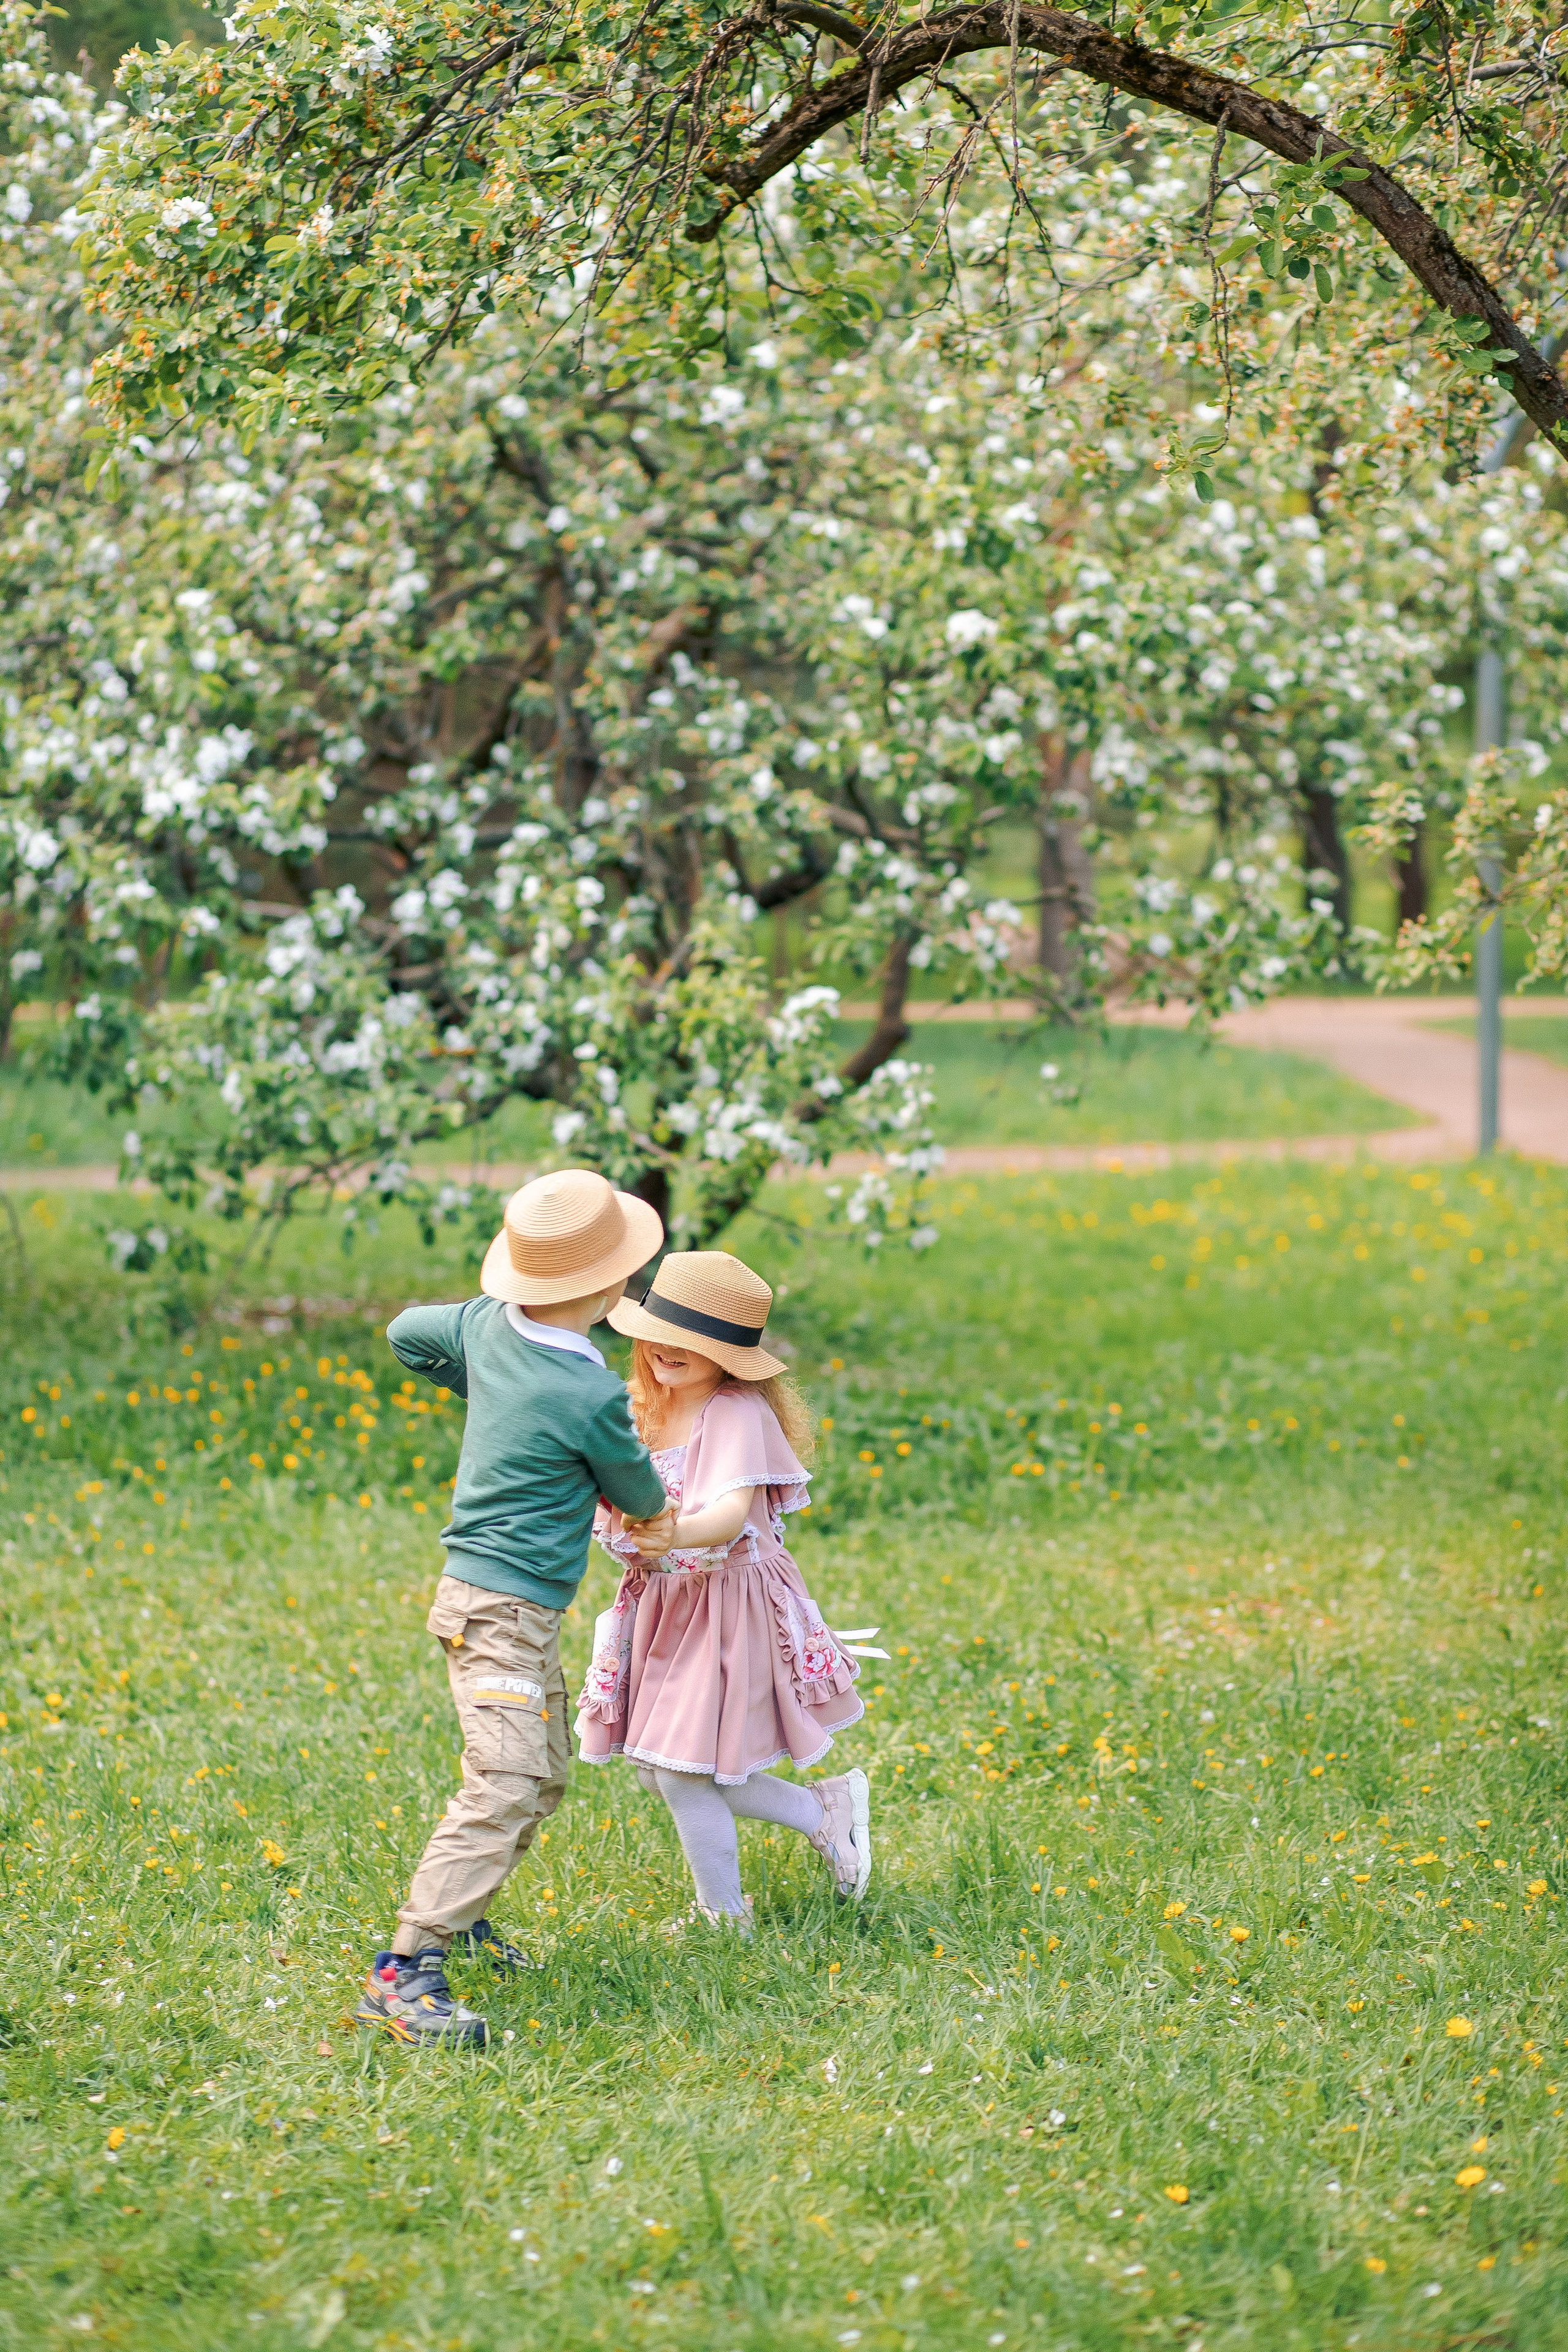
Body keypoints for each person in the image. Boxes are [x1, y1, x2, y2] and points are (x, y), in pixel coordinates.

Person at [355, 1168, 677, 2048]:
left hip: (507, 1609)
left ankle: (460, 1922)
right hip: (499, 1612)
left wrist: (486, 1393)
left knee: (542, 1773)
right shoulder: (587, 1394)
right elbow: (640, 1497)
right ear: (610, 1287)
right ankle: (404, 1971)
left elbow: (402, 1334)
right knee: (503, 1781)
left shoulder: (483, 1326)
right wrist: (665, 1522)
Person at [576, 1248, 870, 1924]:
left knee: (681, 1771)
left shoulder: (734, 1412)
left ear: (729, 1357)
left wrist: (668, 1533)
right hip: (666, 1604)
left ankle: (724, 1917)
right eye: (661, 1334)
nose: (668, 1350)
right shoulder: (644, 1407)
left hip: (728, 1603)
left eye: (692, 1340)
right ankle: (822, 1811)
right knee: (658, 1768)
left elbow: (729, 1517)